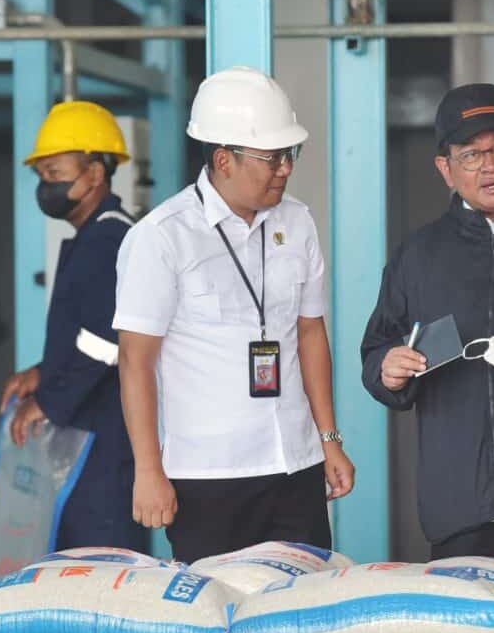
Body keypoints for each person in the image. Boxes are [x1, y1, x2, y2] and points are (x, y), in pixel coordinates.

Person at [113, 66, 355, 563]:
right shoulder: (163, 237)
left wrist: (329, 440)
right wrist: (148, 470)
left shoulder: (298, 223)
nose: (286, 168)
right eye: (272, 158)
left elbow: (310, 333)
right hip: (208, 479)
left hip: (296, 465)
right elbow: (135, 361)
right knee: (221, 620)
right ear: (223, 160)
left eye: (290, 154)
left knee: (304, 615)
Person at [360, 83, 494, 564]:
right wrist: (387, 367)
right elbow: (376, 349)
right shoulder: (419, 256)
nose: (490, 165)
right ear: (445, 168)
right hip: (461, 499)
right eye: (470, 155)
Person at [0, 100, 147, 553]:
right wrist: (44, 370)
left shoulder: (110, 237)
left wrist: (48, 400)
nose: (47, 185)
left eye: (57, 173)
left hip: (106, 441)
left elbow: (110, 341)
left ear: (96, 174)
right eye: (42, 176)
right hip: (86, 435)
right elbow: (87, 331)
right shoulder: (90, 236)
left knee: (104, 567)